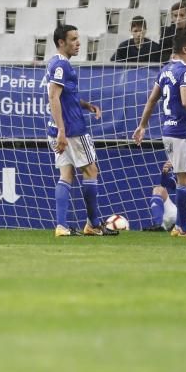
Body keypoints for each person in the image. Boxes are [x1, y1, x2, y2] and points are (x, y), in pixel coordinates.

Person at [46, 24, 116, 237]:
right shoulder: (62, 65)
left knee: (66, 174)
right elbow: (53, 96)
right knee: (91, 170)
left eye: (78, 38)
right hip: (72, 130)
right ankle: (93, 224)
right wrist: (62, 131)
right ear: (61, 42)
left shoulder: (58, 63)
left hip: (59, 129)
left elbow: (67, 96)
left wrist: (86, 105)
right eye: (73, 39)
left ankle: (61, 226)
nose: (78, 43)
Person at [132, 30, 186, 236]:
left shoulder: (165, 70)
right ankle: (182, 226)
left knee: (183, 178)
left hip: (167, 130)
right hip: (182, 130)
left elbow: (152, 99)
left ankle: (180, 226)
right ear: (185, 49)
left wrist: (142, 125)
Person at [142, 161, 186, 232]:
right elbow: (165, 183)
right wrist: (165, 172)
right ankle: (158, 226)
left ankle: (180, 225)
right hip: (178, 214)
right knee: (159, 189)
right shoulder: (185, 176)